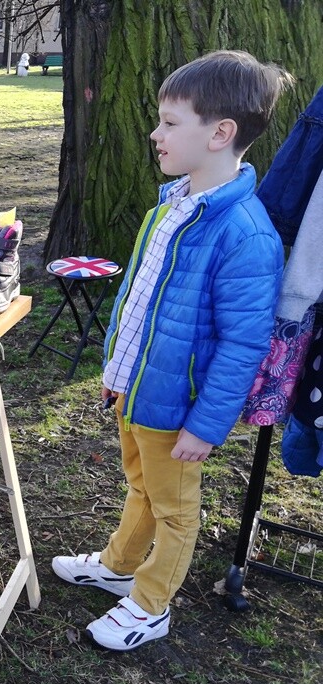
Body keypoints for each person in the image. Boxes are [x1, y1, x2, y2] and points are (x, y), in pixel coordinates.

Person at [51, 50, 293, 651]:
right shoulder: (170, 206)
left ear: (221, 133)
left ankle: (151, 604)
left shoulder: (246, 234)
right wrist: (116, 368)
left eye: (169, 122)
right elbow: (139, 300)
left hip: (179, 409)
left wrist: (205, 427)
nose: (155, 134)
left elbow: (243, 346)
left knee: (177, 509)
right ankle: (118, 564)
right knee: (141, 486)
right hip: (138, 389)